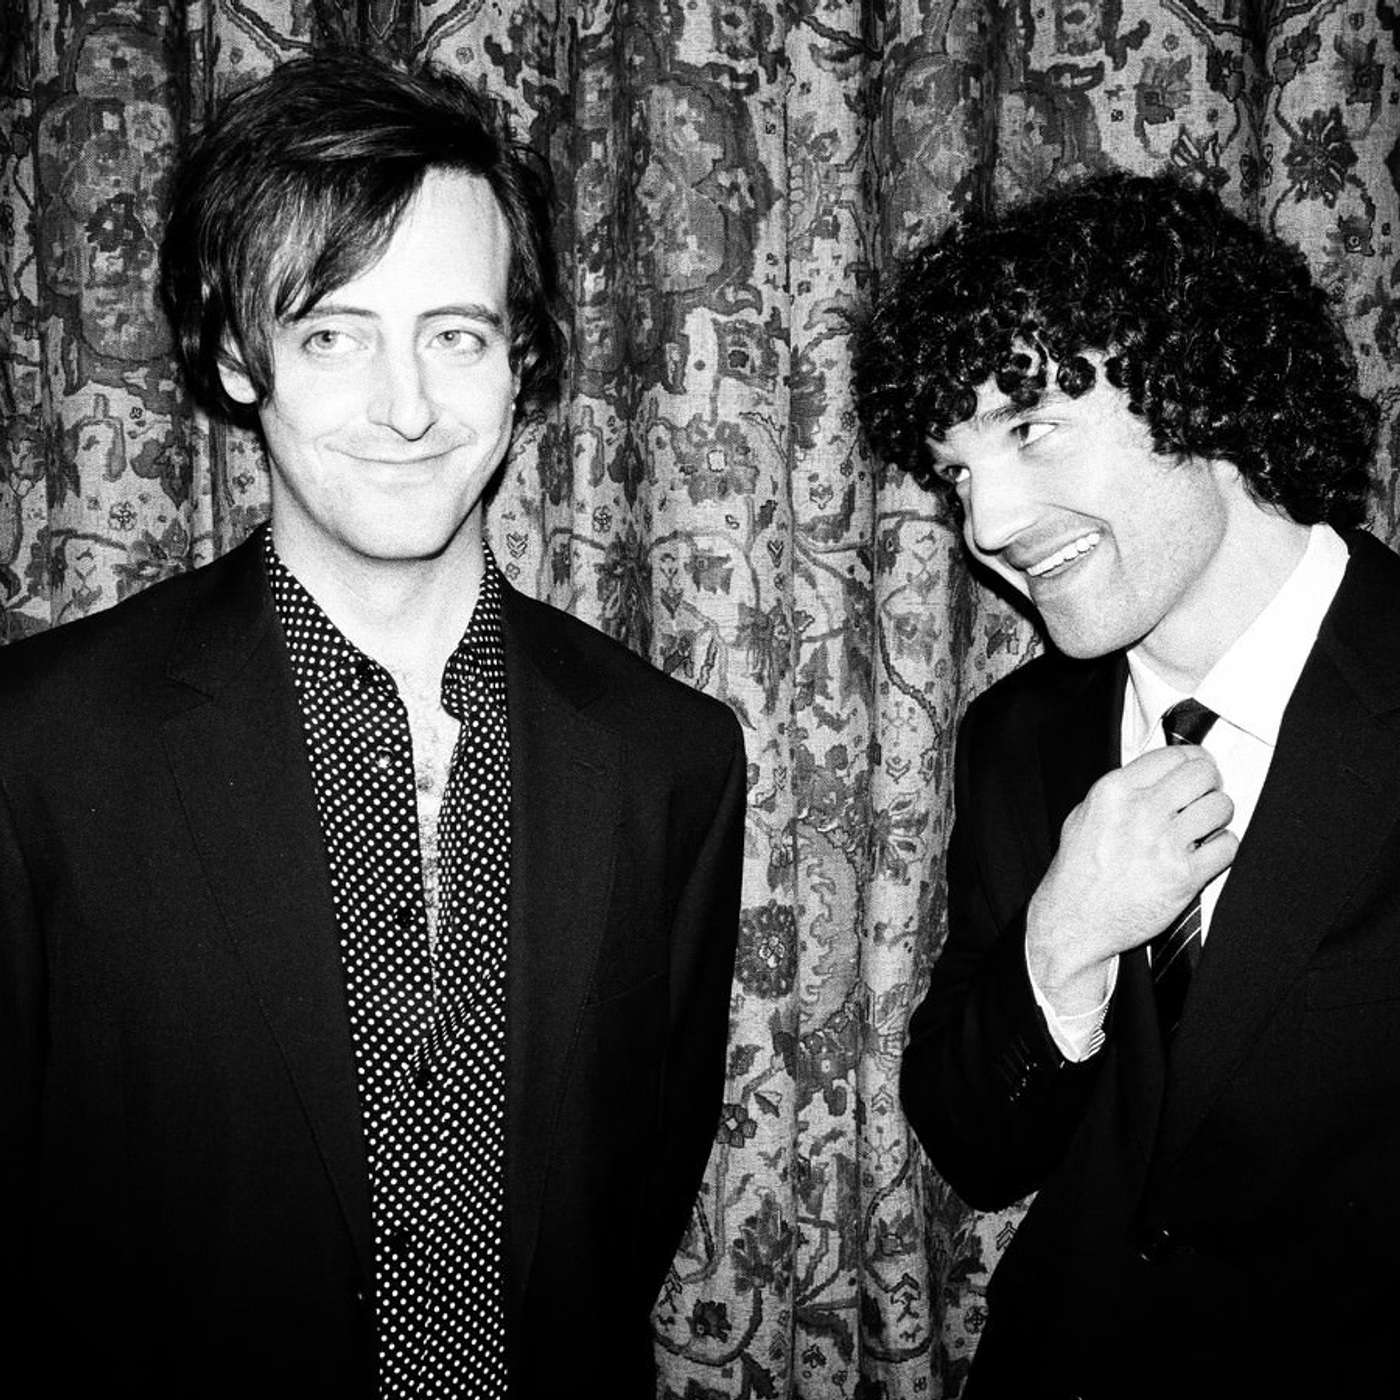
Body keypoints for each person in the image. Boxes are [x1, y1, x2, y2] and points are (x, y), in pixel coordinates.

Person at [0, 53, 745, 1397]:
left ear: (519, 360)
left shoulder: (671, 756)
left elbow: (634, 1196)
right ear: (238, 356)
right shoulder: (38, 749)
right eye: (333, 334)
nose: (406, 409)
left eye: (455, 334)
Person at [855, 170, 1398, 1398]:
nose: (986, 522)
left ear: (1200, 381)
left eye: (1028, 426)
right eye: (954, 472)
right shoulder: (1016, 735)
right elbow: (974, 1143)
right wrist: (1062, 938)